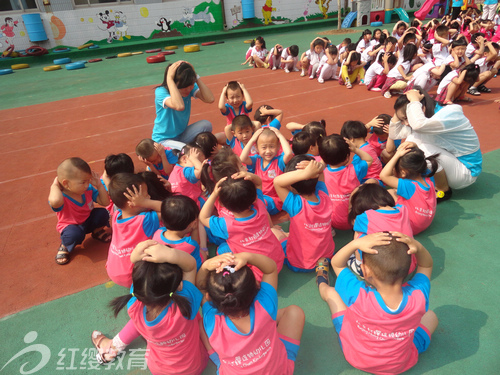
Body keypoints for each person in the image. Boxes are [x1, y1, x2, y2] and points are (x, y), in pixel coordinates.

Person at [315, 232, 438, 374]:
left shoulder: (357, 293)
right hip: (398, 364)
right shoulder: (419, 296)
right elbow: (426, 265)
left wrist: (355, 243)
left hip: (357, 356)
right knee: (431, 316)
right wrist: (419, 247)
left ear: (365, 271)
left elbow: (337, 263)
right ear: (408, 268)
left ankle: (322, 283)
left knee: (332, 294)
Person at [103, 241, 208, 375]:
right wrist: (171, 254)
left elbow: (141, 281)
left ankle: (113, 346)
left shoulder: (133, 306)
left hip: (158, 369)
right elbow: (191, 266)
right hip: (192, 368)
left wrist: (133, 258)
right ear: (180, 286)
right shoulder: (186, 307)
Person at [197, 252, 305, 375]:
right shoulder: (265, 305)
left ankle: (219, 363)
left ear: (209, 297)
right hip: (279, 371)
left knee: (200, 325)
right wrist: (248, 256)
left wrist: (205, 266)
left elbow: (199, 287)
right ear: (256, 285)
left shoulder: (211, 320)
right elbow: (270, 269)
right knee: (294, 312)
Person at [390, 87, 482, 199]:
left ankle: (444, 190)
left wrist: (414, 100)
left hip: (466, 172)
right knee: (409, 143)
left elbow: (418, 125)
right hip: (454, 162)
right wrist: (400, 106)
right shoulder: (429, 116)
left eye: (406, 118)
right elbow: (394, 134)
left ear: (421, 108)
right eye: (402, 120)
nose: (405, 124)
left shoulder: (449, 114)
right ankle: (410, 181)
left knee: (423, 149)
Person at [199, 173, 286, 281]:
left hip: (258, 274)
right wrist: (251, 176)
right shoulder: (261, 205)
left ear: (222, 204)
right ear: (254, 198)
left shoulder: (226, 225)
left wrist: (214, 194)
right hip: (276, 261)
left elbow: (202, 217)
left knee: (222, 250)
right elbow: (259, 183)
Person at [273, 156, 335, 271]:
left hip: (300, 263)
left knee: (274, 231)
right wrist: (314, 169)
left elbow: (277, 181)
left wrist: (304, 174)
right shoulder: (324, 195)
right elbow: (321, 172)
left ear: (292, 187)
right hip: (327, 257)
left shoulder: (296, 205)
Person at [49, 157, 110, 265]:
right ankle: (65, 245)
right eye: (83, 182)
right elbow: (55, 201)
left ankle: (97, 231)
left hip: (88, 221)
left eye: (88, 181)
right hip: (72, 226)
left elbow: (105, 202)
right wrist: (54, 185)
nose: (87, 185)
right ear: (66, 184)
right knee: (73, 235)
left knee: (103, 213)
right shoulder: (61, 197)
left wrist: (99, 185)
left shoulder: (88, 189)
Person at [107, 173, 161, 287]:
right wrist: (147, 203)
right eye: (145, 196)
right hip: (134, 276)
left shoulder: (116, 215)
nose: (149, 198)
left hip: (114, 271)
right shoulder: (144, 220)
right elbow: (170, 209)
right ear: (132, 203)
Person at [152, 61, 215, 150]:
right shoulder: (161, 92)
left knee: (206, 125)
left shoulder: (189, 86)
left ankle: (181, 152)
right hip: (163, 140)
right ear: (174, 83)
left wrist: (195, 76)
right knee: (188, 151)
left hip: (181, 135)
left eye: (191, 84)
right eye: (184, 86)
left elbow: (210, 99)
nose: (189, 89)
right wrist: (169, 78)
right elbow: (179, 106)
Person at [380, 142, 438, 234]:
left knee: (384, 196)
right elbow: (418, 160)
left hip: (410, 226)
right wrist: (415, 147)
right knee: (393, 191)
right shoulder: (427, 176)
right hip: (426, 222)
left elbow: (384, 176)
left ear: (403, 172)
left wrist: (396, 156)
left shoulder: (409, 185)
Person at [319, 134, 372, 231]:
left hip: (331, 221)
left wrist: (324, 157)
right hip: (354, 220)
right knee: (372, 182)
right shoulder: (354, 170)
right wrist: (355, 149)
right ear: (347, 157)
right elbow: (369, 159)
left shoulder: (322, 174)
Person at [240, 127, 293, 214]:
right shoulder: (256, 160)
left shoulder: (279, 161)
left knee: (258, 204)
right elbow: (242, 158)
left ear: (278, 147)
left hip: (274, 201)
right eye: (264, 147)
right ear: (256, 148)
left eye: (272, 147)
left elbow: (289, 154)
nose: (268, 151)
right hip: (259, 197)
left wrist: (280, 135)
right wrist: (252, 139)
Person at [153, 195, 206, 269]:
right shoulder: (190, 245)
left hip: (165, 274)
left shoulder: (158, 232)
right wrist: (195, 229)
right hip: (185, 275)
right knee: (203, 254)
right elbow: (196, 264)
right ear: (193, 224)